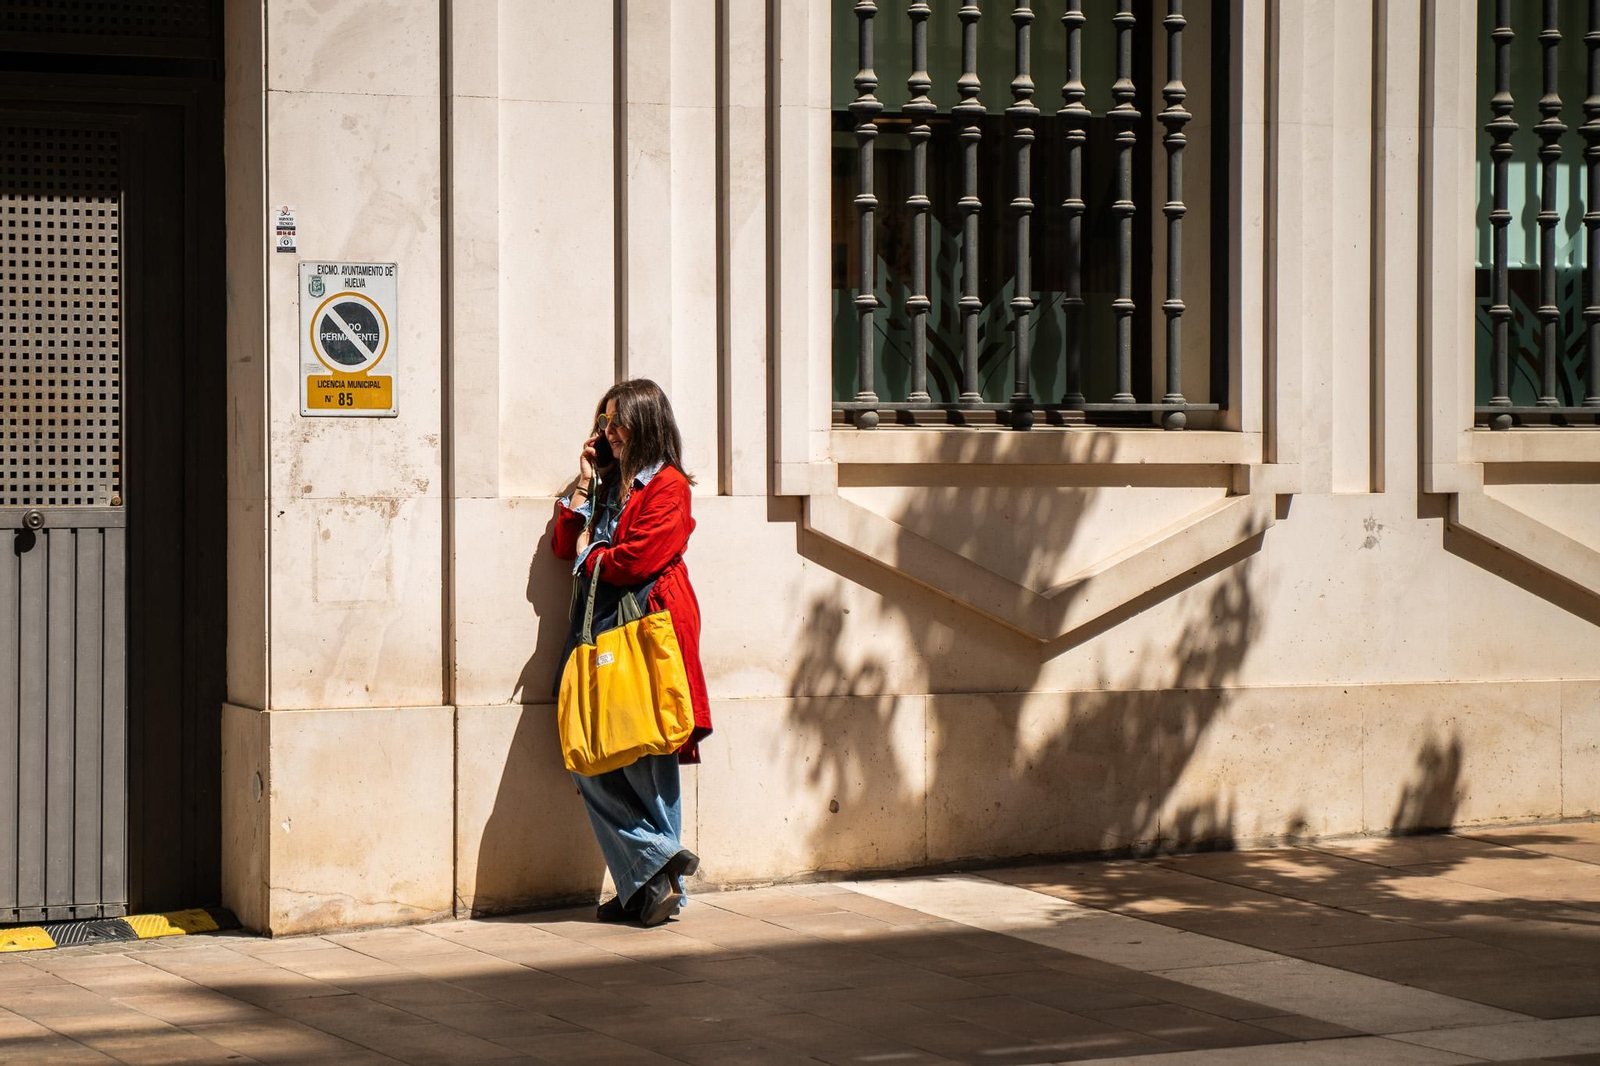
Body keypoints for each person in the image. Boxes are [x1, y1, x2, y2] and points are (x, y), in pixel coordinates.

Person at [551, 378, 712, 927]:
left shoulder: (668, 487)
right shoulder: (611, 485)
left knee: (648, 758)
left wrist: (589, 555)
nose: (606, 431)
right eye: (602, 423)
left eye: (614, 421)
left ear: (643, 423)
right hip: (599, 631)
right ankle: (657, 869)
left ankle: (646, 891)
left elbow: (636, 559)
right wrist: (584, 484)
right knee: (589, 760)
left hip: (649, 629)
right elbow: (560, 544)